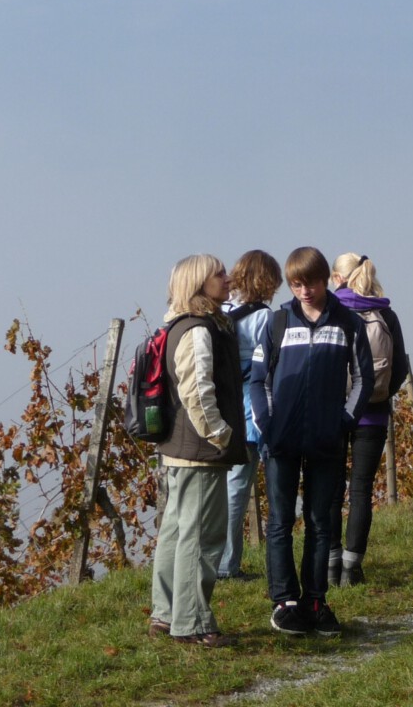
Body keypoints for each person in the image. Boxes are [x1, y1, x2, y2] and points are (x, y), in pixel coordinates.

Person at [250, 246, 374, 638]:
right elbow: (258, 380)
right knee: (281, 522)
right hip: (282, 442)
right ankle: (285, 602)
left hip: (327, 440)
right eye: (296, 284)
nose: (304, 291)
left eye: (311, 283)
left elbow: (364, 379)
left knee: (322, 523)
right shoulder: (277, 322)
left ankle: (316, 601)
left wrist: (343, 421)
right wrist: (268, 426)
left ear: (326, 280)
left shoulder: (349, 324)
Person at [149, 254, 248, 648]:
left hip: (182, 449)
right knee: (202, 536)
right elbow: (196, 390)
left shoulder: (182, 325)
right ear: (199, 284)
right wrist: (219, 435)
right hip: (200, 450)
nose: (227, 280)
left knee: (175, 531)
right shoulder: (196, 330)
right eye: (218, 275)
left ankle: (166, 612)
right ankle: (191, 622)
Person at [327, 252, 410, 587]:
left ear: (337, 278)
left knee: (332, 488)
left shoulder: (330, 313)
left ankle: (330, 566)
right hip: (372, 415)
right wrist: (380, 394)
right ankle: (353, 567)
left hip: (332, 414)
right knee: (361, 489)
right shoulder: (385, 313)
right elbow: (400, 368)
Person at [217, 249, 282, 581]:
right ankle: (228, 565)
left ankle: (209, 558)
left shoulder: (218, 309)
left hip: (215, 412)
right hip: (248, 414)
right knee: (236, 490)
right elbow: (271, 368)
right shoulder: (265, 318)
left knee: (214, 490)